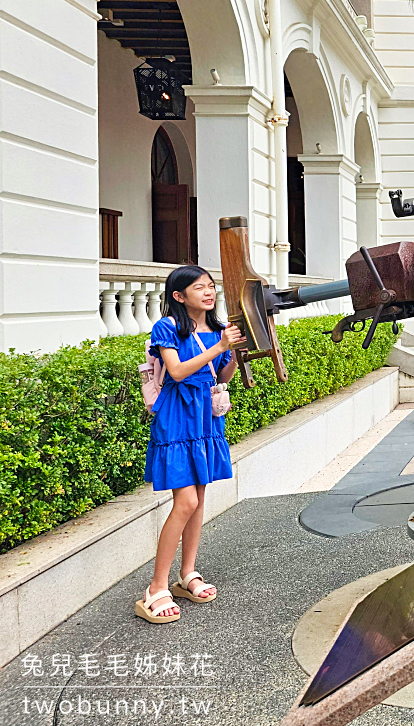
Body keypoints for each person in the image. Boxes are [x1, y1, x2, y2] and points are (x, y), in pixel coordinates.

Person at [135, 265, 242, 624]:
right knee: (187, 501)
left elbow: (223, 374)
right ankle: (156, 587)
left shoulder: (218, 329)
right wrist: (222, 346)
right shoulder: (167, 327)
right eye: (200, 288)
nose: (209, 293)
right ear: (179, 296)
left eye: (211, 286)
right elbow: (177, 372)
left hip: (207, 417)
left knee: (199, 499)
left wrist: (233, 351)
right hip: (178, 416)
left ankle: (188, 573)